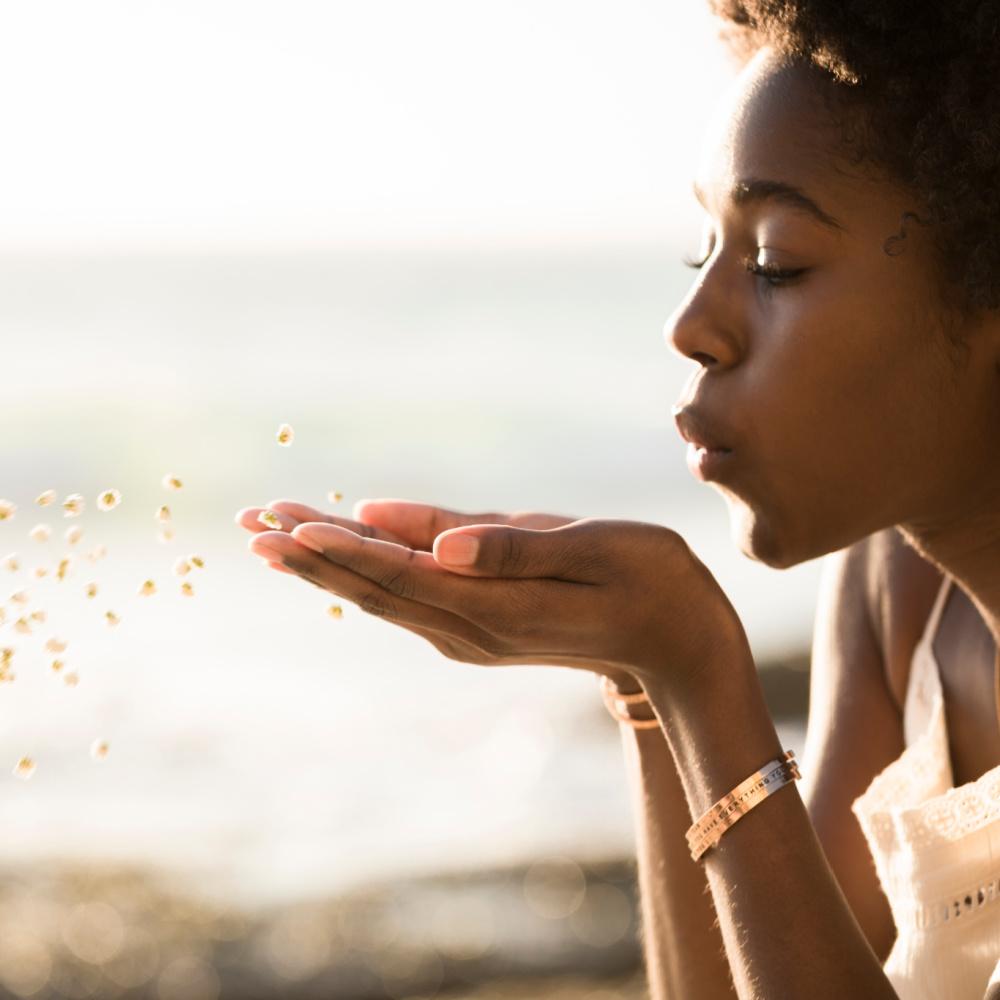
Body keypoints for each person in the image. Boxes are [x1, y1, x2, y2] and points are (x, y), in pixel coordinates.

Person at [236, 2, 1000, 996]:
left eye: (774, 261)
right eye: (703, 253)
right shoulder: (898, 588)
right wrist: (647, 685)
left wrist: (699, 672)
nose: (691, 325)